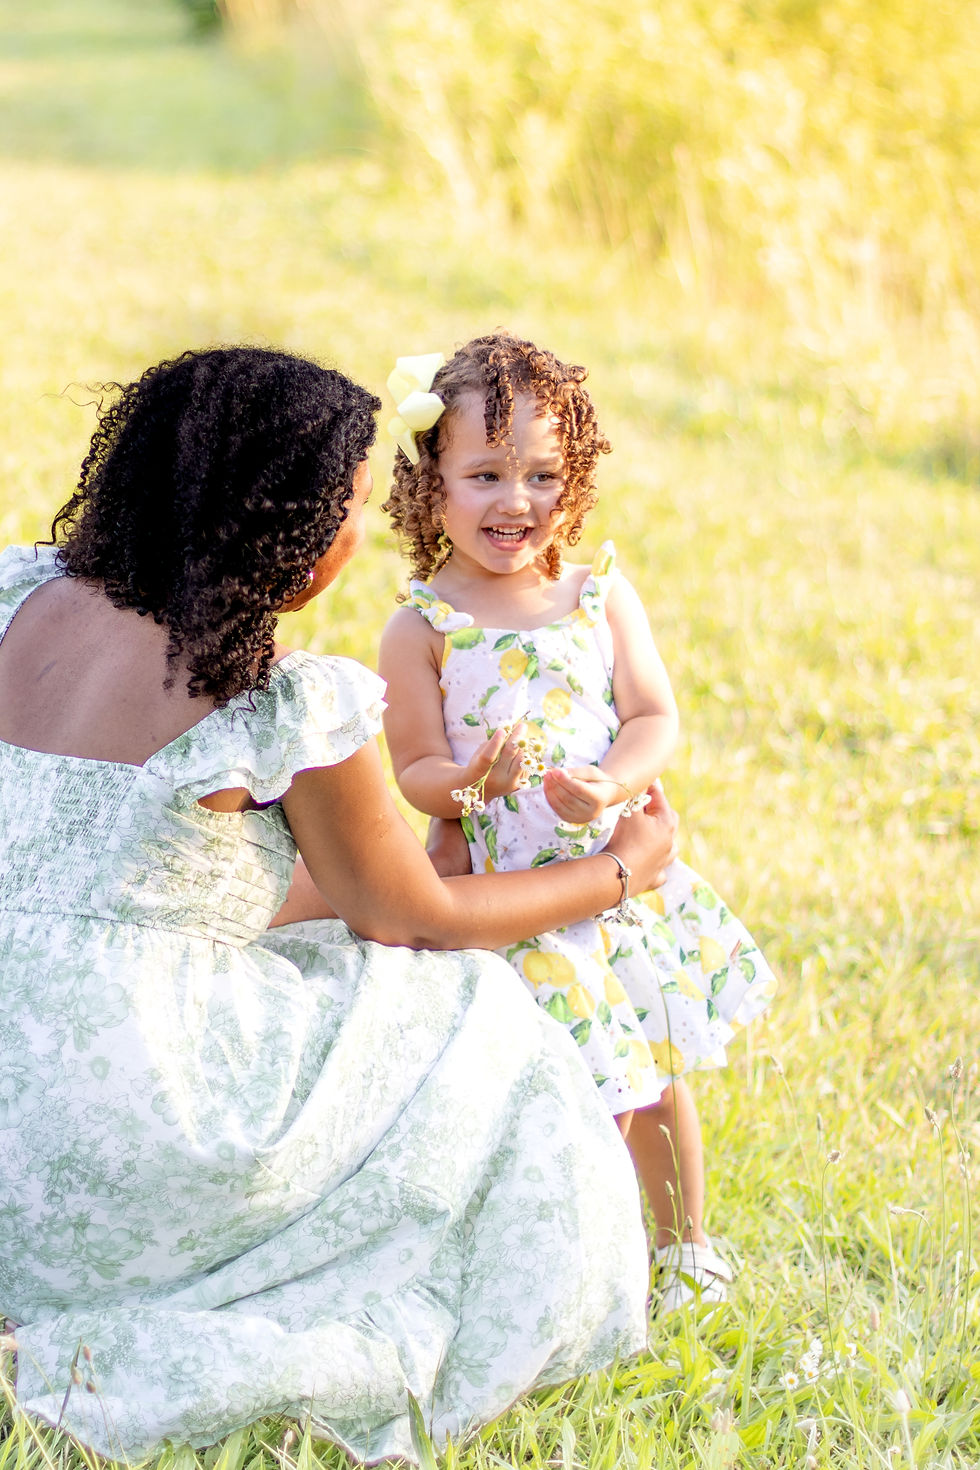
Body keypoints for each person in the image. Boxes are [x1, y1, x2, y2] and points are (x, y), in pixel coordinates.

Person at [0, 346, 682, 1462]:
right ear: (288, 530)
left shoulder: (21, 601)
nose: (358, 535)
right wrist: (624, 870)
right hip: (131, 1116)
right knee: (475, 1017)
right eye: (352, 509)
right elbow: (413, 920)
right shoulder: (270, 693)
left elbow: (121, 877)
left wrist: (394, 876)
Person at [380, 334, 778, 1314]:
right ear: (429, 484)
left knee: (643, 1077)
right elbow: (414, 773)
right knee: (518, 1093)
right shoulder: (421, 626)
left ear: (578, 480)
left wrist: (605, 785)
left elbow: (653, 717)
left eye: (541, 474)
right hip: (502, 902)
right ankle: (539, 1258)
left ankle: (683, 1244)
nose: (514, 501)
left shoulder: (594, 598)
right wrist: (468, 778)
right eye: (483, 474)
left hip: (612, 886)